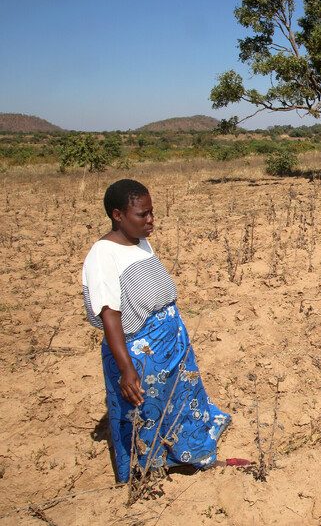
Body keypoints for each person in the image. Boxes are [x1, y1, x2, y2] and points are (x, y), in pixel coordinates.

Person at [82, 179, 232, 482]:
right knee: (146, 411)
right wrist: (126, 369)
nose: (150, 220)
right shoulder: (102, 256)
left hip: (169, 342)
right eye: (142, 215)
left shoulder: (139, 241)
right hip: (141, 351)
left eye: (152, 213)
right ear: (117, 215)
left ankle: (191, 453)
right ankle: (151, 469)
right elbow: (109, 314)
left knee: (179, 397)